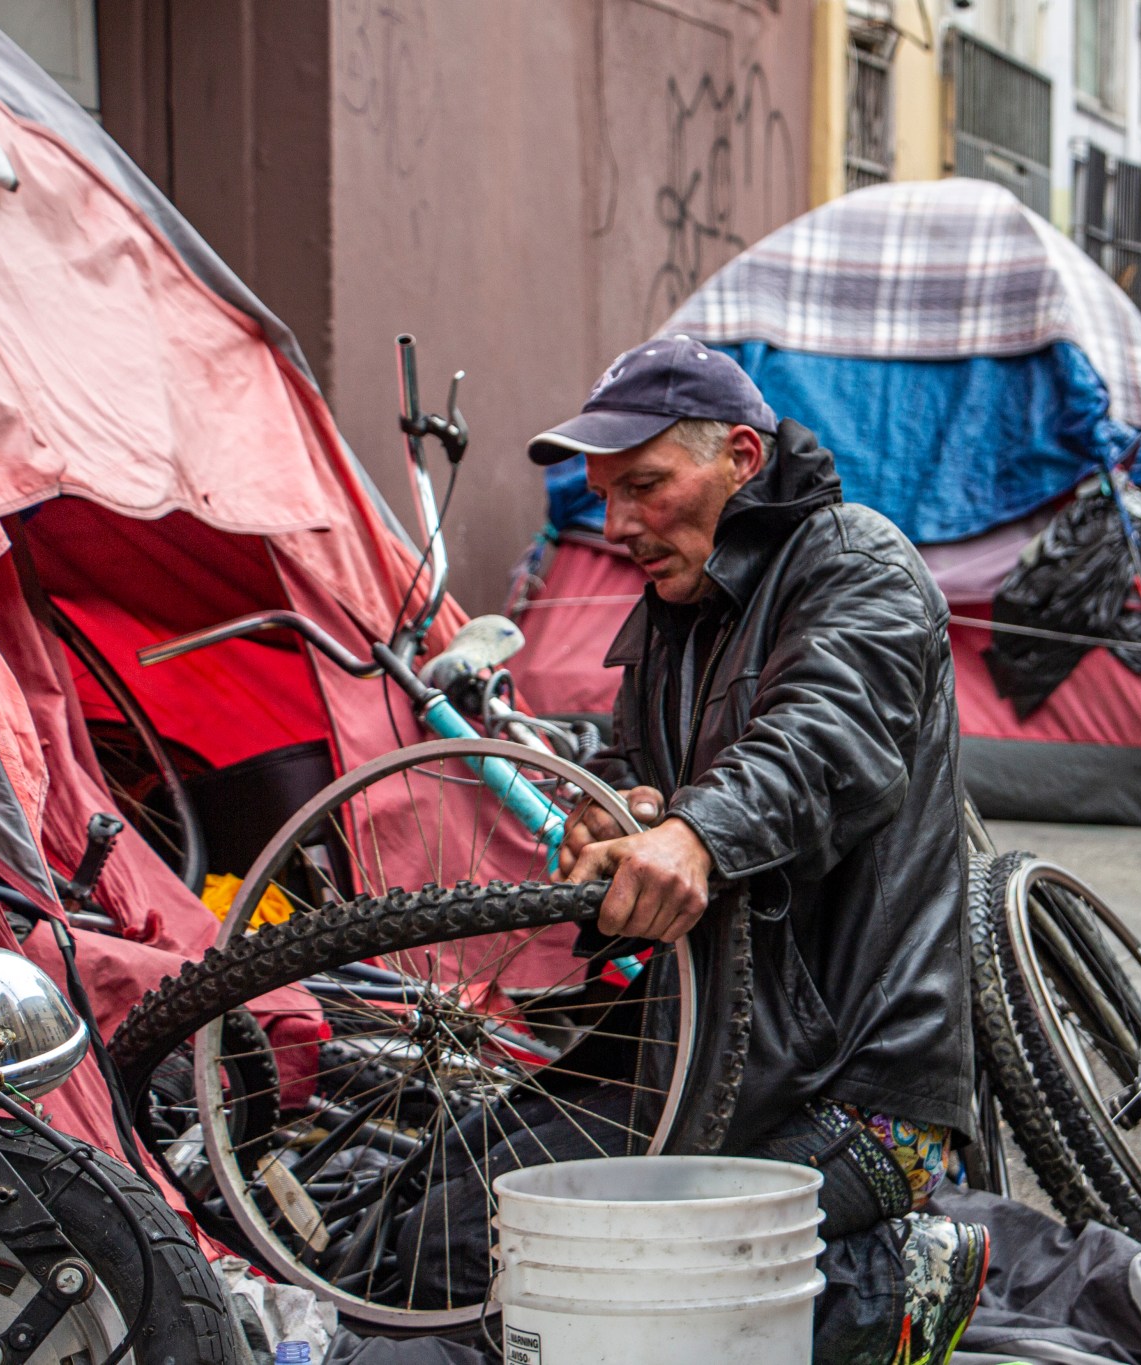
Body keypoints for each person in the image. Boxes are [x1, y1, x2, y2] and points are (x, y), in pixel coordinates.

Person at [416, 336, 986, 1365]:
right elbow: (646, 774)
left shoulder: (856, 563)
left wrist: (696, 837)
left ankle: (895, 1286)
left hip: (858, 1083)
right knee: (443, 1201)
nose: (618, 523)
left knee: (560, 1267)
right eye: (604, 493)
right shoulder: (672, 614)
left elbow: (820, 741)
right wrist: (625, 816)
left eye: (643, 485)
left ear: (739, 457)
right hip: (711, 1047)